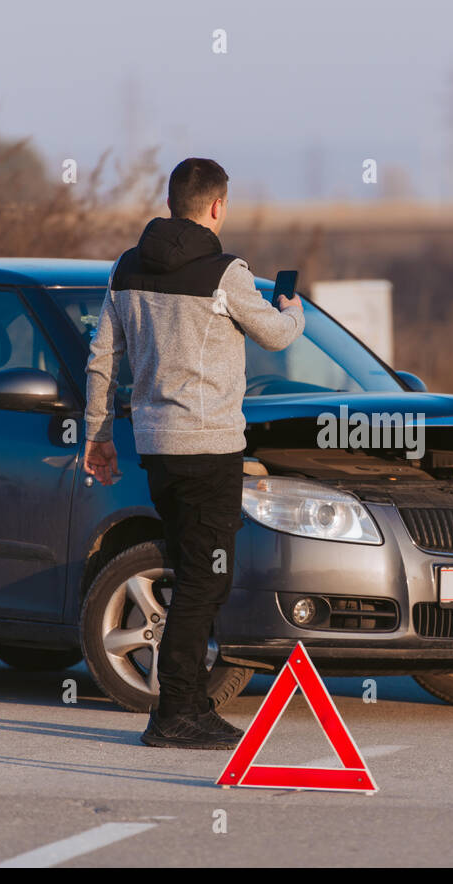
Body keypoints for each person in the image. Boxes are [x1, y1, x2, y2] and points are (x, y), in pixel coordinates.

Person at [83, 157, 305, 749]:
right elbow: (278, 336)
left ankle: (190, 705)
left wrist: (98, 433)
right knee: (208, 581)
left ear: (172, 201)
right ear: (216, 206)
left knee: (193, 574)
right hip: (208, 448)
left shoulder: (125, 269)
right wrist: (291, 307)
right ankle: (174, 712)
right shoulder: (224, 271)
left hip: (156, 447)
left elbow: (102, 356)